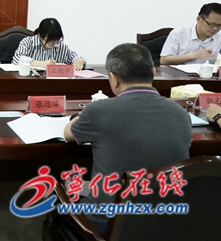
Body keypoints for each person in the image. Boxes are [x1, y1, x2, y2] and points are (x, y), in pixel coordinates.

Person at [63, 43, 192, 234]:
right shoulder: (180, 113)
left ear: (114, 78)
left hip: (112, 224)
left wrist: (76, 118)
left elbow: (68, 134)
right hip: (168, 221)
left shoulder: (99, 110)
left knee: (64, 193)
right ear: (153, 73)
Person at [11, 18, 85, 70]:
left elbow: (73, 57)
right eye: (51, 42)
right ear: (40, 35)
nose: (54, 44)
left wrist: (80, 60)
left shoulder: (60, 46)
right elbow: (17, 59)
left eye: (57, 41)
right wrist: (42, 64)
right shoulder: (28, 42)